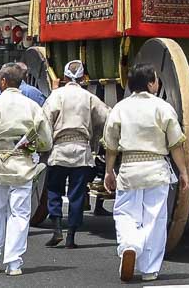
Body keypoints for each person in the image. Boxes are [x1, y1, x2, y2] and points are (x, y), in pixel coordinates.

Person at [104, 62, 189, 283]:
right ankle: (150, 270)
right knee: (155, 219)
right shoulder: (162, 107)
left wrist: (108, 173)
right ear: (151, 83)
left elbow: (111, 146)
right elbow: (175, 144)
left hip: (129, 168)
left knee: (124, 213)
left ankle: (129, 246)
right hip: (156, 169)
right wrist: (183, 172)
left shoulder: (120, 108)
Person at [0, 62, 54, 276]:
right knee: (19, 214)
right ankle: (14, 262)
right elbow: (45, 141)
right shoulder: (32, 106)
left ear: (4, 81)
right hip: (23, 165)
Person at [42, 59, 110, 248]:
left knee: (54, 189)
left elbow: (44, 121)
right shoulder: (89, 97)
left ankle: (56, 228)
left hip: (59, 150)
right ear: (83, 77)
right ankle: (71, 236)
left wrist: (44, 149)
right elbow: (107, 117)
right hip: (81, 151)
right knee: (77, 193)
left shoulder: (56, 96)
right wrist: (97, 138)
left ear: (64, 77)